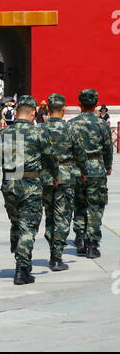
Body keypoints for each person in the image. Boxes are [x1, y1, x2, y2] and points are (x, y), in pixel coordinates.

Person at [0, 95, 60, 285]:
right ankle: (21, 270)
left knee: (17, 223)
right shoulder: (39, 133)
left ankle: (21, 259)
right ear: (33, 113)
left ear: (16, 113)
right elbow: (51, 158)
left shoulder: (2, 135)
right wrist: (55, 176)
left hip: (10, 183)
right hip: (30, 184)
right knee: (29, 227)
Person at [41, 94, 88, 270]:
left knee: (50, 215)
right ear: (64, 108)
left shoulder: (40, 128)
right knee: (63, 216)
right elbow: (80, 154)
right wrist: (83, 171)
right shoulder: (70, 129)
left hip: (45, 178)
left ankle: (52, 243)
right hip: (66, 176)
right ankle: (56, 256)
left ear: (47, 108)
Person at [68, 89, 113, 258]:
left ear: (79, 103)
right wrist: (108, 166)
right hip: (96, 168)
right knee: (95, 206)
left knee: (78, 203)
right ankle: (92, 244)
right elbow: (108, 148)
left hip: (76, 169)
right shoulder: (102, 124)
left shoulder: (71, 124)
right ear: (96, 104)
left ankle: (79, 238)